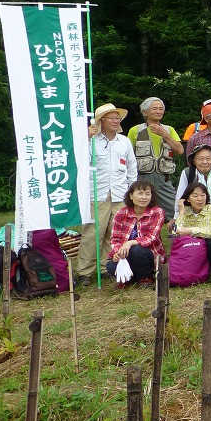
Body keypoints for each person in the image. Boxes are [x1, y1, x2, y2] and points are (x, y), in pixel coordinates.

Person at [77, 103, 138, 285]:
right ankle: (84, 272)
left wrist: (131, 191)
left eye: (117, 117)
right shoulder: (90, 140)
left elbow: (131, 167)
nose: (115, 120)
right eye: (111, 118)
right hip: (97, 193)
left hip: (120, 193)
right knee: (93, 233)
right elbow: (81, 163)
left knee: (114, 233)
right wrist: (86, 137)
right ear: (101, 121)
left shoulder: (124, 141)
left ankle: (105, 266)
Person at [128, 96, 183, 216]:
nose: (158, 111)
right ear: (145, 112)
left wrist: (164, 135)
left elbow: (180, 150)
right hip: (142, 177)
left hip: (163, 178)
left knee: (173, 210)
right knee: (139, 209)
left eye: (161, 109)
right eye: (154, 109)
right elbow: (128, 156)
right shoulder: (135, 130)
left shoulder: (169, 130)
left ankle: (173, 233)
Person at [107, 179, 166, 287]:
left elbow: (151, 238)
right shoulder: (121, 213)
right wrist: (118, 253)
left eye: (147, 194)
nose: (144, 197)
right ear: (130, 195)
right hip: (127, 254)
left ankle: (145, 278)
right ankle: (129, 279)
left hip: (149, 254)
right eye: (140, 193)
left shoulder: (157, 212)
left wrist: (129, 243)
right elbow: (115, 239)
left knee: (137, 250)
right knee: (110, 266)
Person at [173, 181, 211, 269]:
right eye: (195, 196)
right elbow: (175, 232)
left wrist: (190, 231)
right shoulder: (185, 211)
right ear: (188, 199)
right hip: (192, 248)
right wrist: (181, 212)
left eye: (203, 195)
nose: (200, 199)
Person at [173, 143, 211, 216]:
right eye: (201, 159)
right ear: (194, 161)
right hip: (193, 215)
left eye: (208, 159)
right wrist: (176, 216)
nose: (205, 162)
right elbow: (180, 197)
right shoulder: (187, 173)